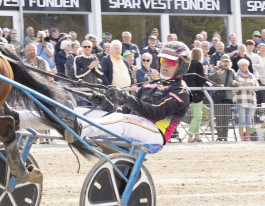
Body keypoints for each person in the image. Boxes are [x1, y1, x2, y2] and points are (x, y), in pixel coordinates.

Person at [20, 42, 192, 147]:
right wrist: (104, 103)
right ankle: (19, 119)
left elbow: (156, 113)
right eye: (163, 60)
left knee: (122, 121)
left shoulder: (181, 92)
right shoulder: (150, 85)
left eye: (170, 61)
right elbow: (122, 112)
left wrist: (127, 98)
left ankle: (78, 129)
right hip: (133, 123)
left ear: (182, 66)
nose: (164, 64)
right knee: (78, 111)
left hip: (155, 132)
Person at [208, 55, 238, 141]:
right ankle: (220, 137)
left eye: (227, 61)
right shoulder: (216, 69)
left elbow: (238, 83)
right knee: (219, 118)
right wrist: (217, 74)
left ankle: (225, 137)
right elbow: (209, 78)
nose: (226, 63)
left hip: (228, 97)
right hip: (218, 97)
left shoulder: (232, 71)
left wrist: (235, 83)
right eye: (224, 61)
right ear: (220, 62)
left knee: (225, 118)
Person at [183, 48, 207, 143]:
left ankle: (197, 136)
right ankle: (190, 135)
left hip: (187, 92)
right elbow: (201, 79)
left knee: (198, 115)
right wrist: (205, 72)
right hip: (196, 93)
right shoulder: (198, 65)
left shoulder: (187, 64)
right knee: (197, 115)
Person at [234, 59, 257, 141]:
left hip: (251, 100)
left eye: (245, 65)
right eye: (242, 65)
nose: (244, 67)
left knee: (249, 120)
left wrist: (253, 85)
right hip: (241, 100)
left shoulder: (251, 75)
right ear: (239, 66)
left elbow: (257, 88)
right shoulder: (236, 75)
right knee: (242, 119)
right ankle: (241, 138)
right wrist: (243, 84)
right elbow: (233, 89)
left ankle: (247, 138)